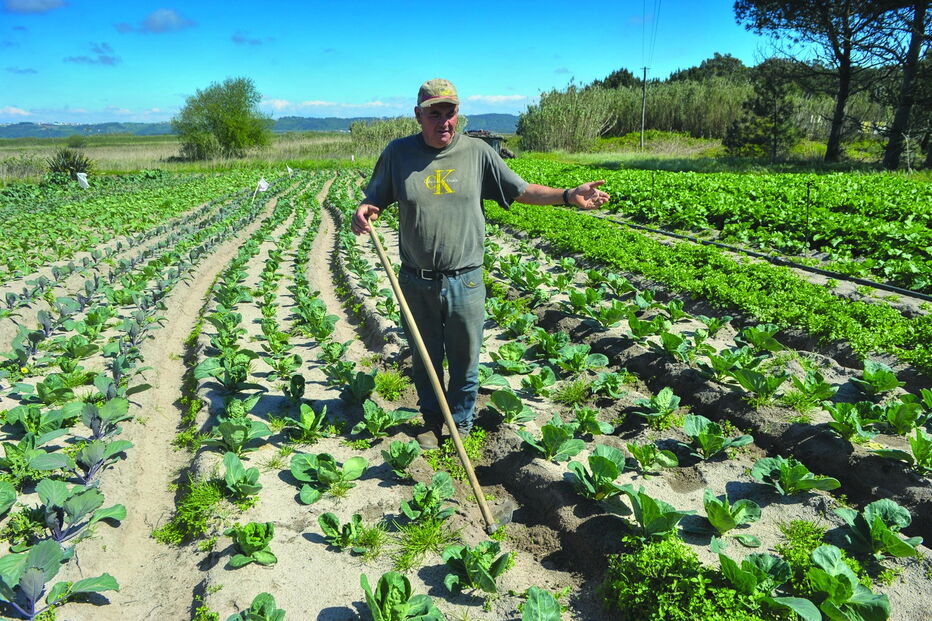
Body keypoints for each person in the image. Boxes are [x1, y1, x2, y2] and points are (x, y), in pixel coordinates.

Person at [351, 78, 610, 449]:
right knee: (425, 358)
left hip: (466, 280)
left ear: (459, 114)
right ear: (418, 116)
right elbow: (374, 198)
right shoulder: (398, 154)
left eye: (450, 112)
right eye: (434, 113)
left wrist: (568, 195)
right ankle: (431, 420)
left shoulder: (478, 153)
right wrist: (364, 210)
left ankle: (461, 424)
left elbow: (521, 191)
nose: (444, 121)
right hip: (416, 280)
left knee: (465, 359)